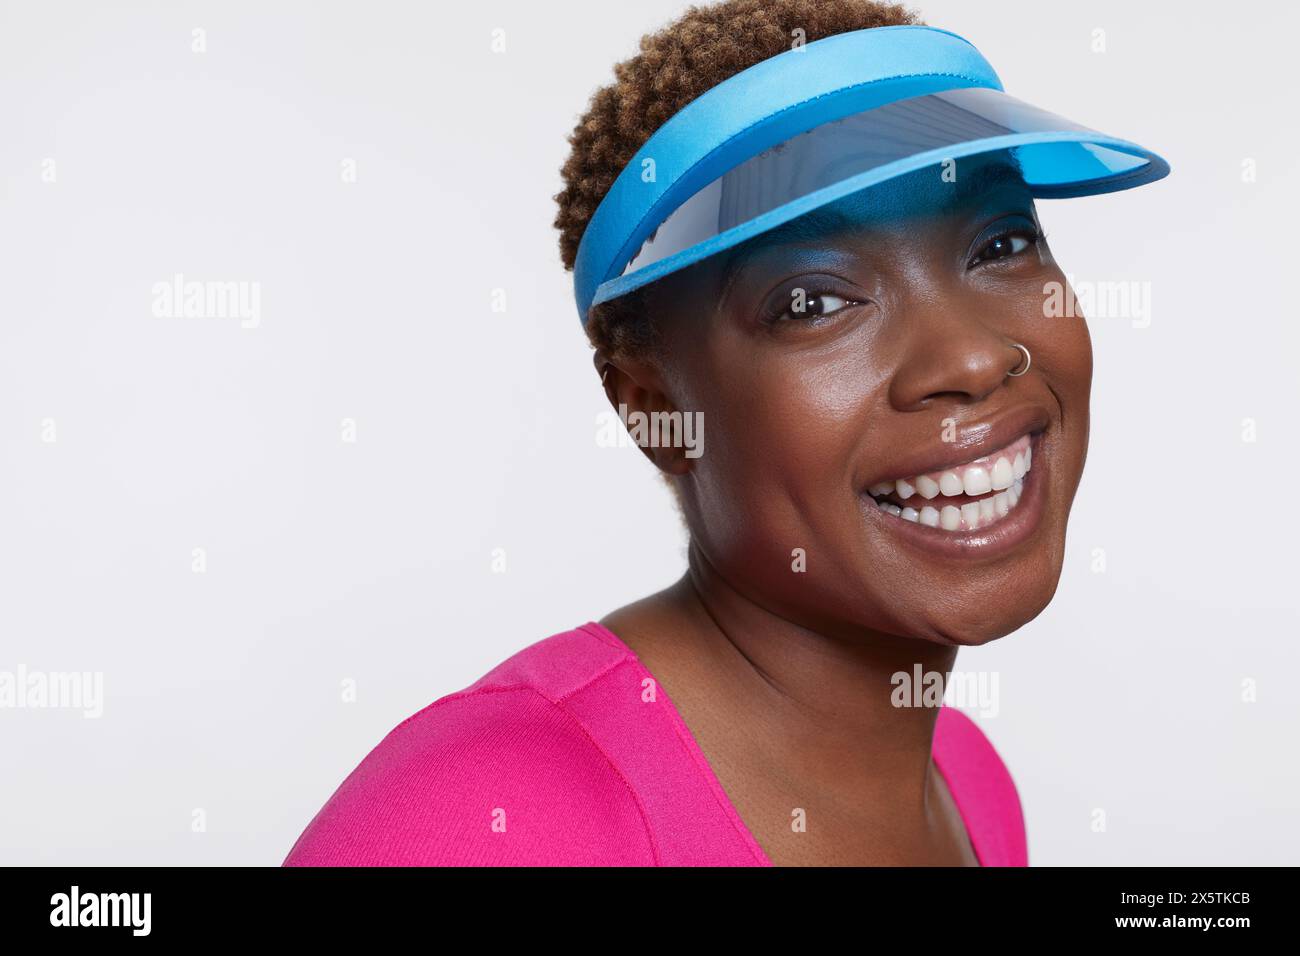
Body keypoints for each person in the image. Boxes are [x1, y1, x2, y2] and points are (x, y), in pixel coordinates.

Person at [284, 0, 1169, 866]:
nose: (974, 357)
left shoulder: (972, 787)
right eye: (814, 300)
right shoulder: (496, 814)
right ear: (652, 408)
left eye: (1002, 243)